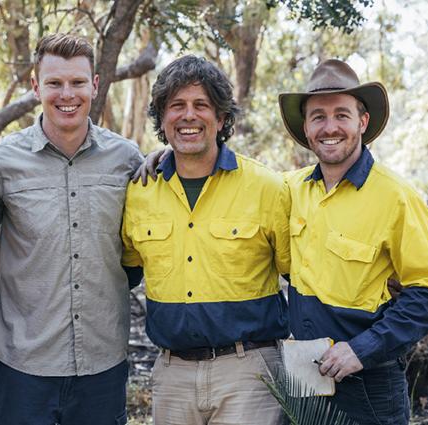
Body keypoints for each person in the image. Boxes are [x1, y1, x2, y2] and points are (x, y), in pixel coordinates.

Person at [279, 59, 428, 424]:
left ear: (362, 122)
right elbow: (232, 183)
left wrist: (362, 349)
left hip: (368, 385)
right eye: (318, 117)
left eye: (341, 115)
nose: (330, 128)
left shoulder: (397, 197)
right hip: (302, 379)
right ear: (306, 129)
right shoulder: (289, 189)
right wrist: (173, 155)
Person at [0, 33, 143, 425]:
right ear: (36, 87)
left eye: (77, 82)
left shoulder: (127, 160)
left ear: (95, 85)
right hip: (23, 364)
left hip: (102, 363)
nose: (66, 94)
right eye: (54, 83)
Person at [121, 55, 290, 425]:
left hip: (248, 373)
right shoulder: (139, 191)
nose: (188, 116)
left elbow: (302, 278)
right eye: (176, 106)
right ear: (162, 120)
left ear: (222, 118)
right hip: (172, 374)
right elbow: (127, 269)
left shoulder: (268, 188)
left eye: (201, 105)